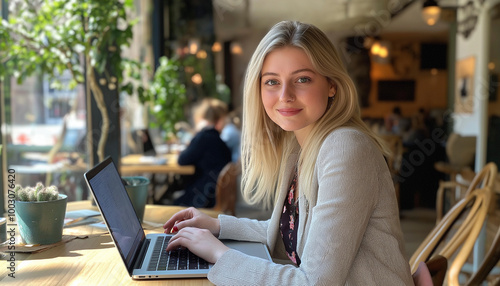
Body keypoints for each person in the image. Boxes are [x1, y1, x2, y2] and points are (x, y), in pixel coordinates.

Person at [163, 21, 413, 285]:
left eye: (302, 79)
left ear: (332, 85)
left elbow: (313, 283)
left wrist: (218, 254)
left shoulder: (345, 147)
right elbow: (287, 233)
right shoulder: (300, 146)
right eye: (272, 81)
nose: (285, 95)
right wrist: (217, 225)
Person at [173, 98, 232, 208]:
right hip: (212, 194)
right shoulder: (217, 140)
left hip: (203, 198)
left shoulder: (204, 137)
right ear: (219, 120)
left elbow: (182, 160)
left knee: (170, 203)